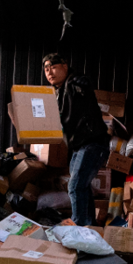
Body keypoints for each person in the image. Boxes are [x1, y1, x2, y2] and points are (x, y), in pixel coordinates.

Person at [43, 53, 109, 226]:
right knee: (82, 186)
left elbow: (83, 86)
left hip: (93, 143)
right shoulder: (58, 92)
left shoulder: (74, 84)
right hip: (79, 146)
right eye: (46, 69)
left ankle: (78, 228)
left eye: (54, 67)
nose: (50, 72)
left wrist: (82, 83)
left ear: (65, 66)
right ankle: (89, 226)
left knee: (75, 186)